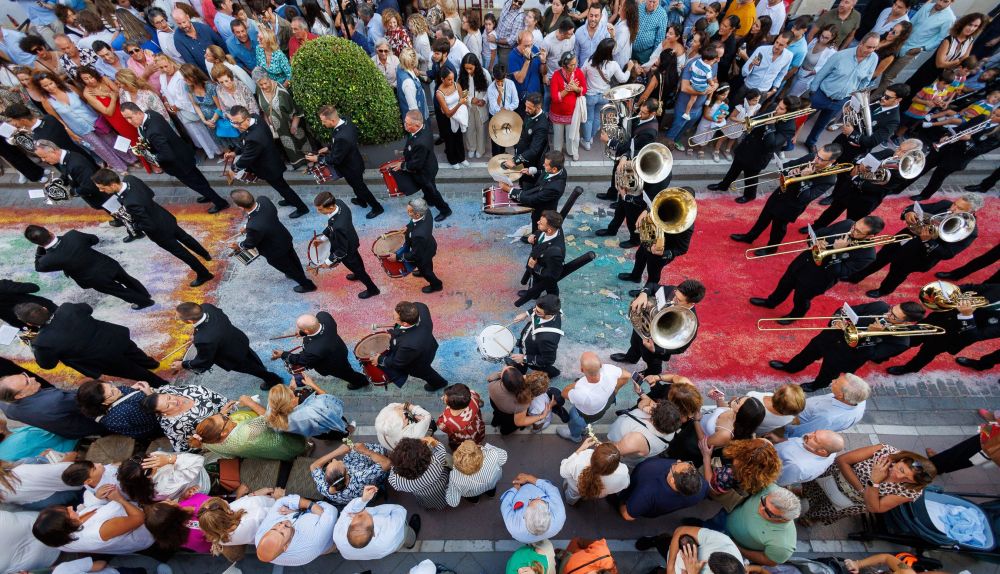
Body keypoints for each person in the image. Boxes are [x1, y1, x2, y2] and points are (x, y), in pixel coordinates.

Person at [92, 169, 215, 287]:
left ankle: (204, 274)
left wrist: (133, 223)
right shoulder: (131, 179)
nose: (101, 191)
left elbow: (148, 225)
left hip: (159, 232)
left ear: (112, 185)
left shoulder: (130, 202)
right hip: (165, 217)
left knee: (182, 253)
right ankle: (205, 254)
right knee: (185, 238)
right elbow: (150, 193)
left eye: (102, 188)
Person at [770, 301, 926, 393]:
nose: (887, 315)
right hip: (830, 337)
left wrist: (871, 335)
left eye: (894, 317)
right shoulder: (880, 306)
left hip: (847, 356)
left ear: (906, 323)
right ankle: (791, 367)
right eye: (891, 310)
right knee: (806, 354)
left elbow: (872, 355)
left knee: (828, 373)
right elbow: (845, 310)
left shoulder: (901, 341)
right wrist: (837, 320)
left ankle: (817, 385)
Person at [750, 217, 885, 320]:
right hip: (803, 262)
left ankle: (795, 315)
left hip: (818, 278)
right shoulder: (848, 224)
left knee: (801, 298)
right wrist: (817, 240)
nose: (852, 230)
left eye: (858, 231)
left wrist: (837, 251)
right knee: (784, 283)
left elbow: (839, 272)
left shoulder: (868, 255)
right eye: (855, 226)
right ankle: (771, 302)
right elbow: (821, 232)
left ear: (870, 236)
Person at [848, 195, 982, 297]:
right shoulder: (945, 205)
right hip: (904, 238)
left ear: (971, 212)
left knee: (897, 272)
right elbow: (918, 207)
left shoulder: (970, 231)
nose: (952, 208)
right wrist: (909, 212)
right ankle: (857, 276)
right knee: (881, 257)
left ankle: (883, 291)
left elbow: (947, 253)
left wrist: (927, 241)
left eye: (959, 209)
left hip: (919, 255)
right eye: (954, 204)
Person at [15, 302, 167, 386]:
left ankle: (161, 384)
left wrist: (33, 345)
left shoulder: (42, 342)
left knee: (134, 371)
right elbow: (88, 308)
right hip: (114, 337)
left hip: (102, 359)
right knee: (135, 352)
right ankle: (151, 364)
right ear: (44, 308)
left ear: (29, 324)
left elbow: (48, 365)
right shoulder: (67, 308)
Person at [731, 144, 844, 253]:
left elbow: (805, 198)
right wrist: (790, 171)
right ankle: (750, 237)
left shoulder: (830, 179)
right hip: (780, 193)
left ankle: (771, 248)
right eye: (817, 155)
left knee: (778, 228)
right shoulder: (812, 157)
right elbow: (788, 165)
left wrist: (803, 178)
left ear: (832, 161)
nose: (816, 160)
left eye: (821, 159)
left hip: (792, 205)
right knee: (763, 218)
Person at [119, 104, 230, 213]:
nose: (129, 121)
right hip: (183, 155)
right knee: (198, 180)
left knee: (196, 183)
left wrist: (152, 157)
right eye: (125, 119)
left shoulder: (154, 132)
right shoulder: (150, 113)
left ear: (138, 113)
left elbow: (167, 155)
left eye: (130, 117)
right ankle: (208, 194)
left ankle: (220, 203)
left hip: (179, 164)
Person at [801, 443, 936, 525]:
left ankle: (812, 517)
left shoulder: (912, 491)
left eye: (907, 479)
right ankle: (803, 493)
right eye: (901, 470)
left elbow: (875, 508)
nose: (899, 476)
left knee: (824, 510)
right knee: (811, 489)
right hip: (834, 478)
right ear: (903, 459)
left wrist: (874, 482)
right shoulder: (884, 451)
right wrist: (862, 490)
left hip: (849, 502)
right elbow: (842, 461)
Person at [26, 225, 153, 310]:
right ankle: (145, 294)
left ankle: (145, 302)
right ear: (49, 232)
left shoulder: (47, 260)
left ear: (37, 243)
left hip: (93, 278)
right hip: (107, 264)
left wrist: (40, 249)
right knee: (128, 279)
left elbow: (38, 266)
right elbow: (94, 239)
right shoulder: (73, 235)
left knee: (119, 291)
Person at [888, 282, 1000, 375]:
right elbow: (973, 288)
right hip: (938, 319)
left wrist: (967, 316)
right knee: (909, 338)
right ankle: (887, 353)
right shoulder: (997, 288)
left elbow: (974, 336)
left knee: (926, 353)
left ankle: (909, 369)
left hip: (951, 337)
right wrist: (950, 292)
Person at [708, 96, 800, 202]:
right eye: (779, 105)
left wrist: (770, 126)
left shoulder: (789, 127)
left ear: (789, 112)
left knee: (750, 176)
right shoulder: (775, 107)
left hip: (758, 155)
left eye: (781, 109)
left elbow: (771, 144)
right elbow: (760, 117)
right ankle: (724, 185)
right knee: (734, 168)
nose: (776, 109)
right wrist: (751, 122)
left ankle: (750, 195)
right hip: (748, 145)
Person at [174, 301, 284, 390]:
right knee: (252, 357)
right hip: (238, 340)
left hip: (231, 355)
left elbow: (203, 360)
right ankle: (263, 369)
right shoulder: (207, 307)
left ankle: (273, 380)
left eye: (178, 317)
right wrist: (197, 334)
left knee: (252, 369)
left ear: (189, 321)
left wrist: (184, 364)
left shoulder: (203, 340)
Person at [224, 106, 308, 218]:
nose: (236, 126)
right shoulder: (255, 117)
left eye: (238, 123)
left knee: (283, 188)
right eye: (233, 122)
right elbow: (244, 139)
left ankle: (302, 208)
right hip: (271, 161)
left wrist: (233, 169)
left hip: (269, 168)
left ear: (247, 119)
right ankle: (289, 200)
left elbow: (247, 157)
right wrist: (235, 152)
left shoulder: (255, 137)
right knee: (281, 187)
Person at [803, 34, 881, 152]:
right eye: (869, 47)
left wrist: (853, 99)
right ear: (861, 44)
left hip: (841, 100)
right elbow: (822, 73)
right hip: (821, 95)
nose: (871, 51)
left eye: (874, 47)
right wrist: (813, 91)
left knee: (822, 124)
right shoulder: (840, 56)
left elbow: (866, 80)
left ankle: (811, 142)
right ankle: (787, 140)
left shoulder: (874, 58)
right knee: (802, 118)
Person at [229, 189, 317, 293]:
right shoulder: (263, 200)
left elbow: (250, 243)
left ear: (241, 207)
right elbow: (263, 218)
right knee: (293, 257)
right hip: (284, 237)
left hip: (274, 251)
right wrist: (247, 226)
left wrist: (238, 245)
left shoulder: (254, 226)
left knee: (288, 268)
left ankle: (307, 285)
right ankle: (297, 273)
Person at [612, 278, 704, 376]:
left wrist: (655, 350)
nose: (673, 299)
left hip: (655, 346)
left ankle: (652, 371)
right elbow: (652, 285)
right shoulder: (672, 291)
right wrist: (643, 294)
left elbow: (680, 349)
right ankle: (631, 358)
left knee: (652, 361)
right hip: (643, 328)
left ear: (691, 304)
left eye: (679, 300)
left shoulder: (691, 324)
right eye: (676, 294)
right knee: (634, 344)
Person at [306, 107, 385, 219]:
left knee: (361, 188)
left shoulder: (342, 137)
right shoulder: (345, 121)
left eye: (324, 121)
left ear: (332, 121)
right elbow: (340, 144)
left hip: (351, 168)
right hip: (353, 162)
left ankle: (377, 208)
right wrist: (328, 147)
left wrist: (317, 159)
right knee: (355, 186)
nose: (322, 123)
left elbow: (335, 159)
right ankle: (361, 200)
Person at [907, 109, 1000, 201]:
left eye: (997, 116)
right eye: (994, 112)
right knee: (922, 167)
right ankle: (899, 187)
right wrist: (947, 135)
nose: (992, 116)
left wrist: (969, 140)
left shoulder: (997, 135)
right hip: (947, 147)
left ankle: (924, 195)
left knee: (938, 177)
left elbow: (978, 151)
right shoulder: (982, 117)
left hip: (958, 157)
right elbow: (961, 127)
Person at [31, 489, 154, 554]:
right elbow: (139, 518)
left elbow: (88, 510)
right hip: (150, 524)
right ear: (66, 526)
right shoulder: (99, 532)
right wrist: (120, 499)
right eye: (67, 512)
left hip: (135, 511)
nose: (69, 507)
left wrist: (97, 497)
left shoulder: (62, 537)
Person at [274, 312, 369, 390]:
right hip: (339, 348)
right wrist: (302, 332)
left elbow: (301, 360)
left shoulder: (314, 350)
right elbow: (315, 325)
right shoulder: (324, 316)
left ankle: (361, 381)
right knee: (346, 368)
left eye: (302, 329)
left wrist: (283, 354)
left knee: (346, 373)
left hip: (333, 363)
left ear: (307, 331)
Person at [312, 192, 380, 299]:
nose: (318, 211)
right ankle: (357, 274)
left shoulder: (339, 226)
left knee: (357, 267)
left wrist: (328, 262)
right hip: (351, 240)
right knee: (357, 262)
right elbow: (332, 225)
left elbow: (342, 251)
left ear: (331, 206)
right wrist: (323, 238)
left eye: (320, 209)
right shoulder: (339, 203)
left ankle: (373, 289)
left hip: (347, 250)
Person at [0, 372, 106, 439]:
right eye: (27, 382)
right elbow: (90, 399)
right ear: (20, 395)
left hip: (67, 432)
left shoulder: (7, 407)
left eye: (25, 375)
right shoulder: (55, 400)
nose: (32, 378)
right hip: (91, 424)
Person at [391, 111, 453, 221]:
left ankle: (445, 210)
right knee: (427, 190)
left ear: (417, 125)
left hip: (424, 173)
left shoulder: (421, 142)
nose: (405, 125)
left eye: (408, 124)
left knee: (433, 192)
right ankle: (429, 200)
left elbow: (416, 165)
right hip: (429, 165)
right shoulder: (423, 128)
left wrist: (402, 165)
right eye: (405, 122)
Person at [557, 352, 630, 443]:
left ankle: (575, 436)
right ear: (600, 365)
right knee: (590, 420)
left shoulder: (582, 391)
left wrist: (578, 383)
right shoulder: (609, 369)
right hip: (605, 404)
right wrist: (616, 389)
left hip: (584, 415)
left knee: (575, 418)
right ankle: (585, 428)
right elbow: (627, 375)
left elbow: (564, 393)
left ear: (581, 369)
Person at [334, 486, 421, 560]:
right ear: (373, 533)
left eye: (356, 516)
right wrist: (378, 512)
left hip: (376, 552)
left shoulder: (337, 535)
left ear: (348, 528)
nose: (363, 511)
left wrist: (363, 500)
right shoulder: (390, 530)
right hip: (394, 542)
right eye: (369, 516)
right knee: (406, 534)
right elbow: (400, 510)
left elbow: (346, 512)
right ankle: (411, 543)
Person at [378, 300, 449, 391]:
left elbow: (397, 362)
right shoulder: (420, 307)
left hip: (419, 362)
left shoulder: (407, 345)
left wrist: (380, 359)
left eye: (395, 317)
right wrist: (397, 327)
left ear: (405, 324)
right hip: (429, 345)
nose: (393, 318)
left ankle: (439, 383)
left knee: (425, 373)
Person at [189, 407, 308, 461]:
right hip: (282, 444)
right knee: (297, 444)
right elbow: (270, 418)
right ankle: (306, 448)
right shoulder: (246, 431)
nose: (227, 415)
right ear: (224, 432)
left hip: (263, 453)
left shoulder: (207, 442)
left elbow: (230, 457)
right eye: (225, 418)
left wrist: (221, 415)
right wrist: (250, 402)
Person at [253, 494, 337, 566]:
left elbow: (280, 502)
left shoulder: (260, 538)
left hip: (319, 543)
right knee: (333, 544)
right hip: (330, 534)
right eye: (282, 533)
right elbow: (331, 510)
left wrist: (297, 511)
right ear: (285, 546)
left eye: (274, 528)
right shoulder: (313, 538)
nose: (281, 525)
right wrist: (312, 506)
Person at [197, 490, 282, 557]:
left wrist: (255, 494)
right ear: (228, 512)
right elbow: (280, 514)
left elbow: (242, 502)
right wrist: (279, 498)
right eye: (222, 501)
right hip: (279, 510)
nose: (224, 500)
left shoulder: (221, 536)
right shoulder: (255, 518)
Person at [621, 456, 708, 521]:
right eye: (689, 464)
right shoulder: (702, 488)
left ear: (672, 480)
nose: (678, 460)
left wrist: (621, 504)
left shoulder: (648, 487)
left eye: (675, 465)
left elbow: (628, 516)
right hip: (655, 511)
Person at [310, 440, 391, 507]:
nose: (335, 459)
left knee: (353, 451)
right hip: (369, 488)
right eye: (339, 462)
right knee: (370, 450)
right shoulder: (360, 478)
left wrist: (337, 452)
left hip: (352, 496)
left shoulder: (324, 488)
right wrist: (366, 451)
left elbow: (314, 466)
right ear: (347, 473)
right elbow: (387, 463)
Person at [638, 526, 744, 574]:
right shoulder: (723, 542)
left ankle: (659, 570)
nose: (706, 560)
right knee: (662, 542)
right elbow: (680, 531)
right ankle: (655, 541)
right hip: (674, 554)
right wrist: (670, 568)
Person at [75, 381, 162, 439]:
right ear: (104, 403)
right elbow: (156, 416)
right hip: (156, 426)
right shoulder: (126, 410)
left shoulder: (96, 408)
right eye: (112, 393)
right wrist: (150, 395)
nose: (116, 389)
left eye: (111, 385)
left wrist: (131, 389)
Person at [516, 210, 566, 307]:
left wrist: (535, 267)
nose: (537, 222)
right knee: (535, 281)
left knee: (551, 287)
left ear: (549, 230)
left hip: (545, 270)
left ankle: (552, 302)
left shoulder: (555, 252)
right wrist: (533, 236)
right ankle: (535, 294)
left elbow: (553, 275)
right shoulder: (553, 229)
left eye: (541, 223)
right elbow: (540, 232)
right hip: (538, 263)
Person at [559, 438, 629, 505]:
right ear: (615, 467)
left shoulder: (579, 461)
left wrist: (580, 449)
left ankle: (571, 502)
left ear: (593, 455)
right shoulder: (622, 472)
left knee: (572, 495)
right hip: (598, 494)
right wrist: (606, 455)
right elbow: (626, 484)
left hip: (576, 488)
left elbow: (563, 471)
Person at [500, 472, 566, 543]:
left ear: (525, 515)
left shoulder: (514, 528)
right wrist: (529, 478)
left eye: (529, 504)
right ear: (548, 513)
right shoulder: (559, 515)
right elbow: (551, 489)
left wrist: (515, 488)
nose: (538, 497)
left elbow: (505, 504)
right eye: (543, 501)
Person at [511, 294, 564, 380]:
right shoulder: (551, 308)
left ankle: (553, 374)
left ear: (548, 314)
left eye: (538, 312)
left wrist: (524, 358)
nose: (535, 310)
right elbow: (538, 308)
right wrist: (526, 314)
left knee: (543, 369)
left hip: (534, 353)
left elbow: (548, 360)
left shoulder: (548, 338)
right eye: (535, 308)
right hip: (530, 345)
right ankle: (521, 369)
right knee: (521, 364)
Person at [388, 436, 451, 509]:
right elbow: (442, 451)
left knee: (428, 502)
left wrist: (395, 464)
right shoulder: (435, 462)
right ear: (426, 455)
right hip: (442, 487)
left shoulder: (397, 482)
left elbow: (392, 473)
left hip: (425, 497)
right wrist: (434, 441)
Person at [0, 455, 83, 509]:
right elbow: (71, 470)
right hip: (73, 490)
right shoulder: (21, 470)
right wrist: (70, 456)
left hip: (53, 507)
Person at [505, 92, 549, 187]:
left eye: (529, 108)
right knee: (521, 181)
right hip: (523, 155)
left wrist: (514, 161)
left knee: (527, 185)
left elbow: (534, 151)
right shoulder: (529, 113)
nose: (526, 110)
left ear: (538, 107)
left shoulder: (542, 126)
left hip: (532, 162)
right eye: (526, 106)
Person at [446, 440, 508, 507]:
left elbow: (453, 502)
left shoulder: (454, 477)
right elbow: (504, 457)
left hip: (472, 493)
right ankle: (491, 495)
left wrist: (447, 488)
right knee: (491, 490)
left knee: (473, 498)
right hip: (491, 484)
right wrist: (484, 447)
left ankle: (476, 501)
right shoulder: (492, 454)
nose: (462, 443)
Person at [774, 430, 845, 487]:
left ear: (822, 451)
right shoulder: (831, 451)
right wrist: (778, 440)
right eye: (814, 432)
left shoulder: (797, 466)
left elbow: (776, 480)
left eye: (815, 439)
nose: (809, 435)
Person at [172, 7, 225, 74]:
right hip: (208, 73)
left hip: (223, 65)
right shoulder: (178, 39)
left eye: (184, 22)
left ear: (188, 17)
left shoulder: (203, 27)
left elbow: (221, 43)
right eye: (179, 24)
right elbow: (191, 62)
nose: (183, 25)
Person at [436, 383, 486, 451]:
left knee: (458, 446)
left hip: (462, 437)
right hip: (476, 427)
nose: (442, 398)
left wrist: (440, 424)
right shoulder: (472, 396)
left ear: (453, 405)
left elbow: (444, 429)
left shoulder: (448, 420)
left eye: (445, 398)